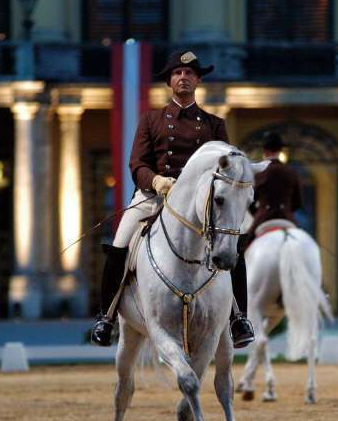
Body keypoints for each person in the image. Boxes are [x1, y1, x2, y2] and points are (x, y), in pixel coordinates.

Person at [91, 49, 254, 348]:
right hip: (154, 196)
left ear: (197, 81)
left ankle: (238, 318)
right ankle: (107, 317)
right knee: (120, 245)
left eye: (189, 73)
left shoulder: (213, 124)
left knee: (233, 244)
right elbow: (137, 163)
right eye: (177, 73)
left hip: (198, 203)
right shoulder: (152, 120)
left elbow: (226, 166)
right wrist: (155, 180)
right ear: (169, 81)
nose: (183, 77)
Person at [246, 132, 303, 244]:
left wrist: (258, 212)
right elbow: (298, 203)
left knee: (244, 245)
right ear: (280, 150)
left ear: (265, 151)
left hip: (263, 216)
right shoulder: (292, 172)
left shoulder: (260, 172)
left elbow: (251, 200)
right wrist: (286, 209)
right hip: (287, 217)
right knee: (302, 242)